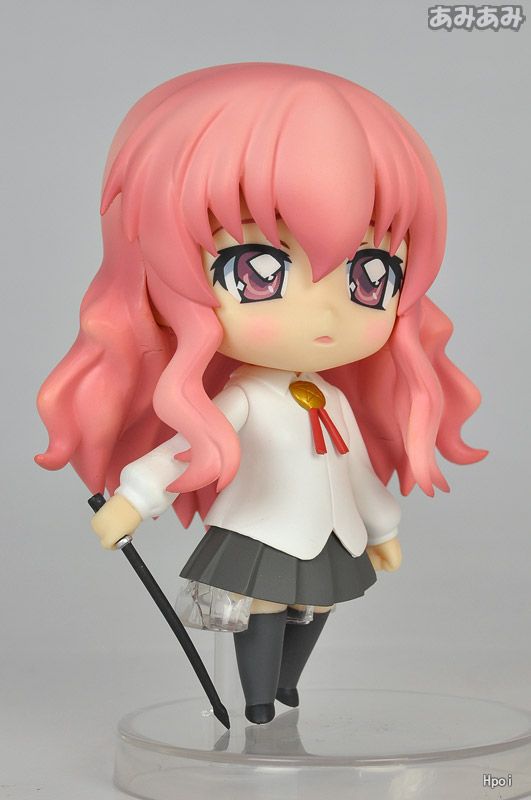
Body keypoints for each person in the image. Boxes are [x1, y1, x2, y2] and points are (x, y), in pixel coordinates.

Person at [36, 63, 486, 724]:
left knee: (321, 604)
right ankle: (256, 698)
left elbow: (356, 470)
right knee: (264, 606)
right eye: (259, 270)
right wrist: (135, 499)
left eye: (372, 275)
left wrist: (382, 526)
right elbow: (187, 448)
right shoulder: (244, 398)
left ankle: (287, 684)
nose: (325, 310)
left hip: (332, 528)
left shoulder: (333, 400)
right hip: (262, 526)